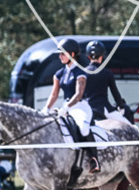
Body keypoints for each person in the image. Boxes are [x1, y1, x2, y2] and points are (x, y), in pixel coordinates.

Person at [42, 38, 100, 173]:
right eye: (60, 54)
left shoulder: (80, 72)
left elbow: (79, 94)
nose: (60, 56)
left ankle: (94, 159)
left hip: (80, 107)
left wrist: (66, 107)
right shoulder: (59, 74)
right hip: (65, 108)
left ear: (72, 55)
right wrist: (46, 109)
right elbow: (54, 94)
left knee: (84, 129)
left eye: (63, 53)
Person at [83, 40, 133, 123]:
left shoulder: (82, 73)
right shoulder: (107, 73)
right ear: (102, 56)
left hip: (87, 109)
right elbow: (115, 93)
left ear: (88, 56)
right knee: (129, 126)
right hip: (104, 108)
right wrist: (121, 106)